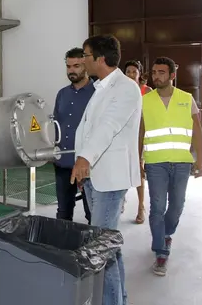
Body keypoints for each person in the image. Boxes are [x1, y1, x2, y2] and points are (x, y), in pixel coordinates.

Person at [71, 34, 142, 305]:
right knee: (109, 246)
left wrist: (84, 159)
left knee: (102, 249)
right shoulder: (101, 87)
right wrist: (82, 165)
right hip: (94, 177)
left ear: (100, 59)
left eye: (85, 57)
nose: (82, 62)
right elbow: (87, 130)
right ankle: (118, 298)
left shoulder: (126, 88)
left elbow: (108, 127)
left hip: (110, 180)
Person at [139, 57, 202, 277]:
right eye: (154, 72)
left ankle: (167, 233)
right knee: (157, 206)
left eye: (161, 72)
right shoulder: (146, 100)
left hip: (181, 163)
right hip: (155, 162)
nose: (156, 76)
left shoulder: (187, 99)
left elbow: (197, 131)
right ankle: (160, 251)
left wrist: (201, 160)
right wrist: (138, 160)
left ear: (172, 76)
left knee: (176, 205)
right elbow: (140, 132)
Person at [52, 47, 94, 224]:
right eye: (68, 66)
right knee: (63, 213)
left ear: (85, 65)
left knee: (92, 213)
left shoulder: (97, 93)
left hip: (87, 165)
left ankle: (93, 250)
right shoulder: (62, 94)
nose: (71, 70)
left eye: (76, 66)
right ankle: (62, 249)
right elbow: (55, 124)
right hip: (63, 162)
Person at [123, 60, 152, 224]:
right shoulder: (121, 90)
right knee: (122, 168)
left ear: (140, 74)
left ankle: (141, 206)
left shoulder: (146, 91)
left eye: (134, 71)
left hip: (141, 136)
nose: (131, 74)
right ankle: (120, 200)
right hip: (124, 136)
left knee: (138, 170)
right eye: (128, 71)